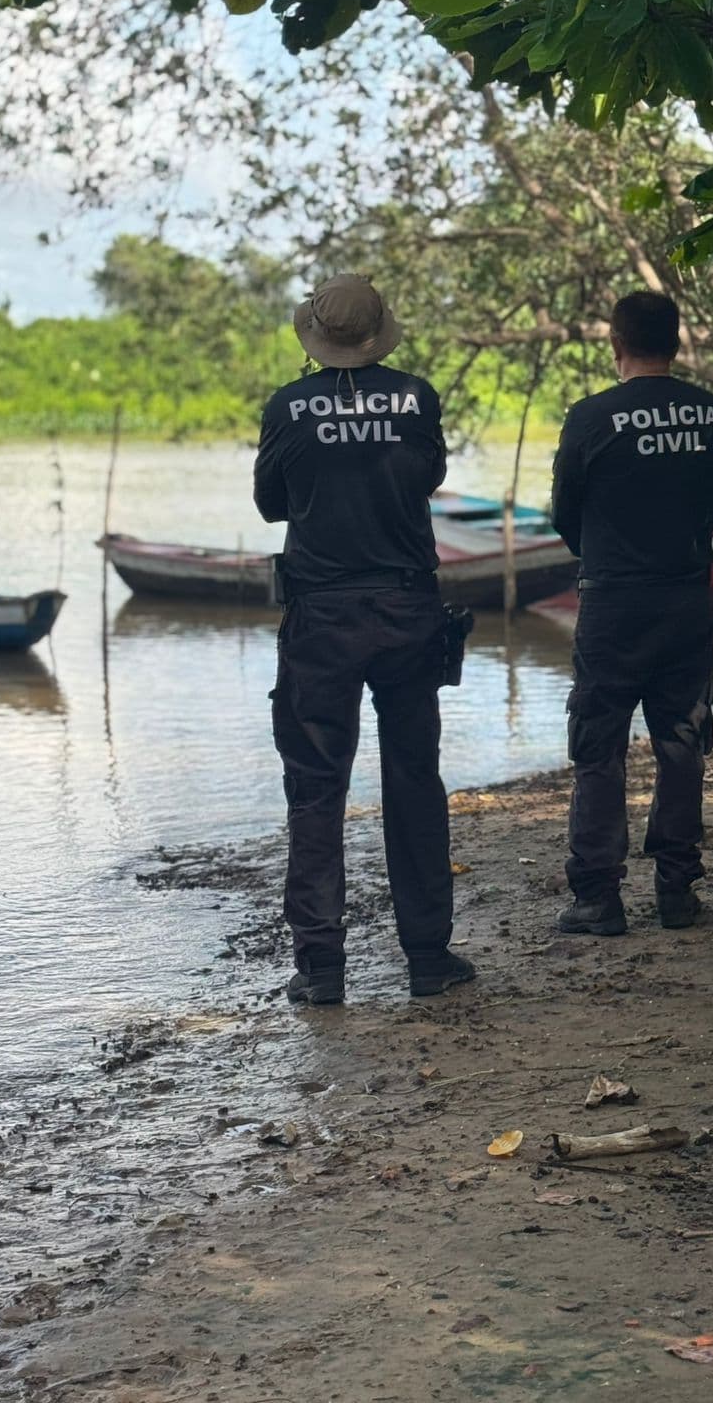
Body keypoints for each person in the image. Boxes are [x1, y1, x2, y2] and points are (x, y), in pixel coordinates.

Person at [253, 274, 475, 1005]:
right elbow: (429, 477)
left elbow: (269, 506)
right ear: (380, 330)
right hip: (408, 609)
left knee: (316, 789)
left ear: (316, 337)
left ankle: (321, 970)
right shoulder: (417, 397)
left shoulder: (288, 406)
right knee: (414, 778)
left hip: (322, 617)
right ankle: (428, 959)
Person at [550, 291, 713, 936]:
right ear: (677, 344)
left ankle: (598, 897)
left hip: (614, 602)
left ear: (615, 343)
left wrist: (605, 554)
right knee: (682, 741)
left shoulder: (592, 417)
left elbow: (564, 514)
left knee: (598, 746)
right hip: (685, 598)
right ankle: (677, 892)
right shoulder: (710, 413)